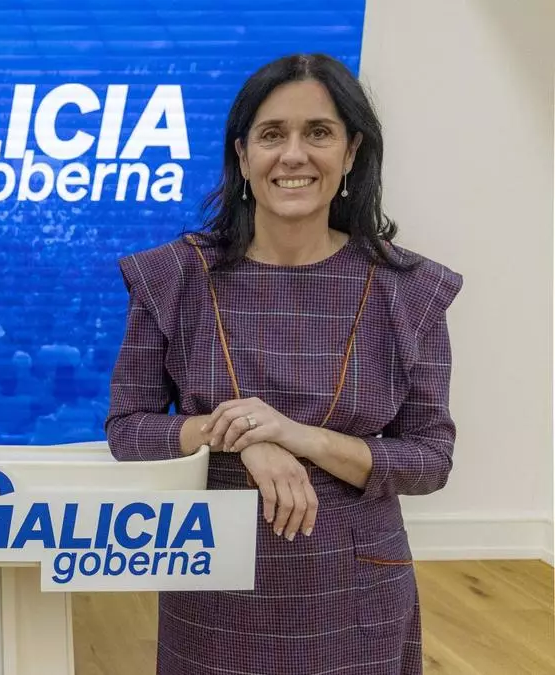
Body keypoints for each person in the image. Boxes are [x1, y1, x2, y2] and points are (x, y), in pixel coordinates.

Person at [104, 53, 462, 674]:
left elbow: (430, 461)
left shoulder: (411, 289)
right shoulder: (173, 276)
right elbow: (128, 431)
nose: (294, 155)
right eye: (272, 135)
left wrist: (300, 437)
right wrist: (241, 437)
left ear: (351, 152)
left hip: (355, 590)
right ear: (243, 157)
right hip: (214, 587)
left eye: (318, 132)